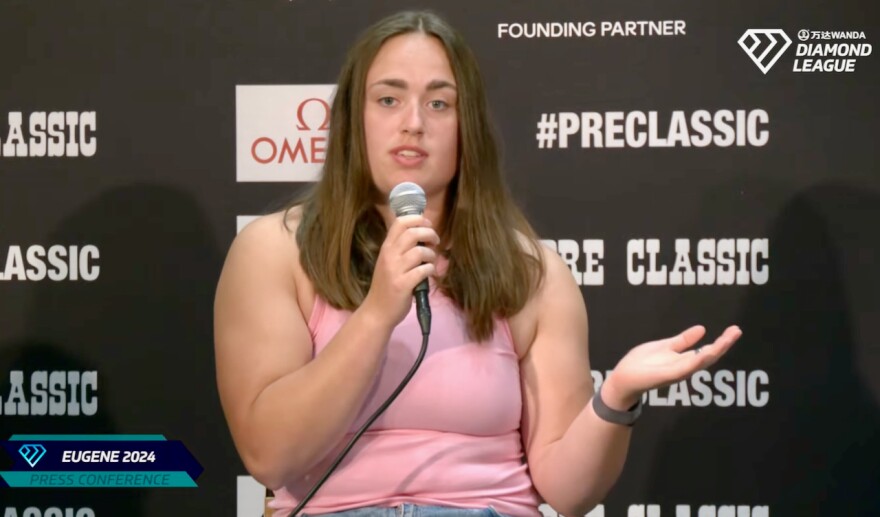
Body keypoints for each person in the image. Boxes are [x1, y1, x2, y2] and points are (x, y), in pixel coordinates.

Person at [214, 10, 742, 517]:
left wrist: (616, 397)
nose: (413, 123)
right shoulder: (277, 251)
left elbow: (569, 492)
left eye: (440, 104)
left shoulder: (530, 270)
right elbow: (270, 455)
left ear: (469, 126)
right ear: (354, 119)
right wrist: (376, 315)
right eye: (389, 99)